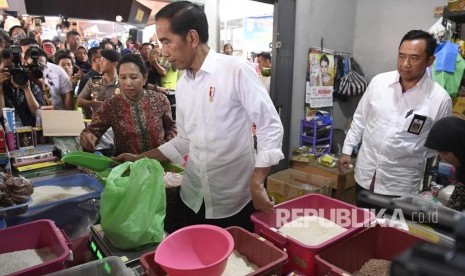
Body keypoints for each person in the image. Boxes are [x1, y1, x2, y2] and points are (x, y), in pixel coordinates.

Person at [113, 1, 284, 231]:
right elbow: (184, 140)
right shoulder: (184, 85)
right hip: (193, 198)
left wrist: (257, 181)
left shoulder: (236, 71)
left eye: (167, 42)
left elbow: (270, 126)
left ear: (192, 38)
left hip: (233, 200)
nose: (163, 52)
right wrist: (139, 159)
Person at [338, 30, 452, 206]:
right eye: (401, 56)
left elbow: (437, 145)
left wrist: (412, 151)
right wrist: (347, 149)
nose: (405, 64)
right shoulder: (379, 83)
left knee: (391, 229)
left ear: (430, 61)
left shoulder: (439, 99)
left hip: (400, 184)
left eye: (414, 58)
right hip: (366, 174)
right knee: (362, 226)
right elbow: (360, 118)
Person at [80, 54, 176, 155]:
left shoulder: (160, 100)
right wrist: (89, 137)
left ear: (144, 78)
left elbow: (171, 127)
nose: (128, 83)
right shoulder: (111, 105)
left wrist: (170, 145)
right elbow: (93, 130)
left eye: (133, 77)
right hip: (126, 166)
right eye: (123, 78)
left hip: (159, 164)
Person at [424, 117, 465, 211]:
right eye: (439, 152)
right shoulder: (462, 172)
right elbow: (454, 210)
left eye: (445, 153)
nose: (442, 158)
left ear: (459, 148)